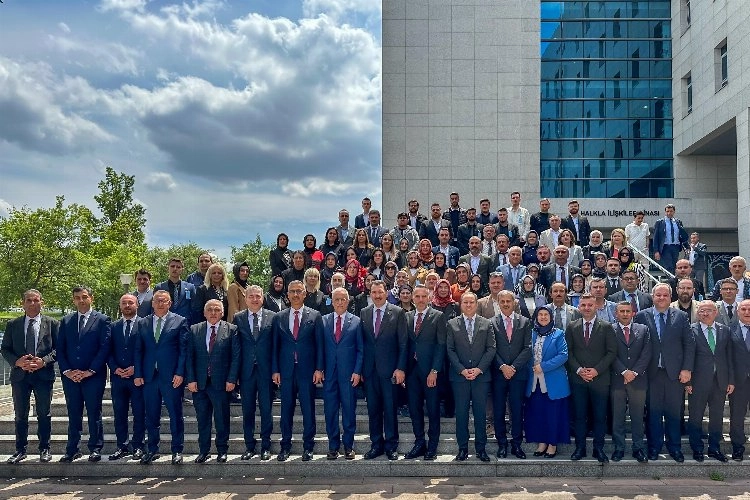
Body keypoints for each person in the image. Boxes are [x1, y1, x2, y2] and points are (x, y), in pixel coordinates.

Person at [634, 283, 695, 462]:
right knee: (653, 413)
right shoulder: (641, 316)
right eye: (658, 295)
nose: (661, 298)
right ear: (652, 297)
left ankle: (674, 448)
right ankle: (654, 447)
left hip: (674, 373)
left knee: (674, 413)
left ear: (670, 297)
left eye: (665, 295)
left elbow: (689, 344)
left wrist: (687, 368)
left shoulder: (681, 316)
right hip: (651, 373)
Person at [1, 289, 59, 464]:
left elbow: (59, 349)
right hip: (20, 376)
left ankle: (45, 449)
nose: (32, 303)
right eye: (29, 300)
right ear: (23, 303)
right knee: (20, 414)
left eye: (36, 300)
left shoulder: (52, 324)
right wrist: (17, 362)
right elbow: (5, 349)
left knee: (44, 413)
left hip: (43, 376)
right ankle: (20, 450)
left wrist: (44, 361)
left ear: (42, 302)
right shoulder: (13, 324)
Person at [133, 289, 189, 465]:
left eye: (164, 300)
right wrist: (138, 373)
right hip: (149, 377)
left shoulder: (180, 321)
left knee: (175, 414)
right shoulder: (143, 323)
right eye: (157, 300)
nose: (160, 303)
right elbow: (138, 350)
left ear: (169, 303)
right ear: (152, 303)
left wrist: (180, 373)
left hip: (171, 377)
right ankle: (152, 449)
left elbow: (183, 351)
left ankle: (177, 450)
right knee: (151, 415)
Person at [57, 286, 111, 463]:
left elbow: (104, 348)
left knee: (94, 412)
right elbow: (60, 348)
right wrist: (67, 371)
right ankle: (72, 449)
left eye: (84, 297)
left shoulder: (102, 320)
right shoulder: (66, 321)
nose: (81, 300)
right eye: (77, 297)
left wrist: (90, 371)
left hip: (93, 375)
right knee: (74, 413)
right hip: (71, 376)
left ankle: (95, 448)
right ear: (73, 300)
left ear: (91, 298)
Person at [271, 280, 324, 462]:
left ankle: (308, 446)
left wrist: (319, 368)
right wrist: (275, 370)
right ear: (287, 294)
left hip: (307, 371)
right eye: (292, 291)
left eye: (298, 291)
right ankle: (285, 446)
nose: (295, 294)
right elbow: (275, 346)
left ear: (304, 294)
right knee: (286, 410)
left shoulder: (315, 315)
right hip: (285, 372)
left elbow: (319, 345)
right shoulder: (279, 317)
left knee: (308, 409)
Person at [186, 299, 240, 464]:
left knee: (222, 418)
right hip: (200, 383)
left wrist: (232, 379)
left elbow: (235, 357)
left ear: (222, 313)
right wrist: (191, 379)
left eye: (217, 310)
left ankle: (222, 450)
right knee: (202, 419)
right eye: (210, 310)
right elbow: (190, 357)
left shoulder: (231, 330)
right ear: (204, 313)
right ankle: (204, 451)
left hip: (221, 383)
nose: (213, 313)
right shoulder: (195, 329)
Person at [565, 293, 617, 462]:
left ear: (596, 306)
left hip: (600, 380)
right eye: (584, 305)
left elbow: (611, 352)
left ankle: (598, 449)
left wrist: (596, 370)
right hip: (578, 380)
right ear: (579, 307)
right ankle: (580, 448)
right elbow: (568, 352)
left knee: (600, 416)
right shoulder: (572, 326)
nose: (587, 308)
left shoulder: (607, 326)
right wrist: (579, 370)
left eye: (590, 305)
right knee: (579, 416)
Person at [360, 280, 408, 460]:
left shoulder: (398, 312)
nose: (377, 295)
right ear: (370, 294)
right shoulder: (364, 313)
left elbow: (403, 343)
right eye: (374, 292)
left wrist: (400, 368)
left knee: (389, 409)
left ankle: (391, 446)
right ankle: (376, 445)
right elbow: (362, 343)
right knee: (373, 410)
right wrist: (361, 369)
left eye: (380, 292)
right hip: (370, 371)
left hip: (390, 371)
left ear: (386, 293)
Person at [446, 292, 496, 462]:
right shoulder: (452, 324)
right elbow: (450, 349)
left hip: (480, 377)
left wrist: (479, 369)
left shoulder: (486, 324)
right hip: (460, 377)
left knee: (480, 414)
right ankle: (462, 449)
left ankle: (481, 449)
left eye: (471, 302)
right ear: (461, 305)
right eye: (465, 302)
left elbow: (491, 348)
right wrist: (461, 369)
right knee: (461, 414)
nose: (468, 305)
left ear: (476, 304)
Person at [686, 301, 733, 462]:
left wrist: (730, 380)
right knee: (695, 417)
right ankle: (697, 449)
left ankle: (714, 448)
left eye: (709, 310)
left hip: (720, 381)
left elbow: (729, 357)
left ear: (716, 312)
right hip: (697, 382)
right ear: (697, 313)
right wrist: (687, 382)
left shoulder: (725, 330)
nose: (705, 314)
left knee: (717, 417)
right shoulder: (690, 330)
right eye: (701, 311)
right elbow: (687, 356)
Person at [403, 285, 446, 461]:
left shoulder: (438, 316)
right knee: (414, 409)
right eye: (417, 296)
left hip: (430, 372)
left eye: (423, 296)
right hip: (412, 371)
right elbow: (404, 345)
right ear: (413, 298)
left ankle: (432, 446)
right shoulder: (407, 317)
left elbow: (441, 345)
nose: (420, 300)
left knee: (433, 409)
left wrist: (435, 370)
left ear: (429, 298)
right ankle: (419, 442)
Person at [234, 285, 276, 461]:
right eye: (251, 296)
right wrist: (235, 374)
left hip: (266, 371)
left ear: (262, 298)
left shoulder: (272, 317)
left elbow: (275, 346)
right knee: (248, 410)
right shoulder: (238, 318)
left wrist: (275, 370)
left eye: (258, 296)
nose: (255, 299)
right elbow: (236, 348)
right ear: (246, 299)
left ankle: (266, 446)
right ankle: (249, 446)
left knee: (266, 410)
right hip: (246, 372)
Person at [321, 288, 363, 460]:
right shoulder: (323, 321)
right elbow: (320, 348)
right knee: (330, 411)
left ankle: (348, 446)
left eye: (343, 299)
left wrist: (357, 371)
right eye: (336, 299)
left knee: (349, 410)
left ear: (348, 301)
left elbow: (360, 349)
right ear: (332, 301)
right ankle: (333, 446)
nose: (339, 302)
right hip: (329, 374)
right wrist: (319, 368)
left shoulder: (357, 321)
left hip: (349, 375)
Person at [524, 305, 570, 458]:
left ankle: (552, 444)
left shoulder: (558, 334)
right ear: (536, 317)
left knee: (553, 414)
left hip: (553, 382)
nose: (543, 317)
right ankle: (542, 442)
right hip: (534, 382)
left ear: (551, 317)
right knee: (538, 413)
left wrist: (543, 366)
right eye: (540, 315)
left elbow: (563, 355)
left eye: (546, 315)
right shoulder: (530, 333)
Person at [491, 290, 532, 459]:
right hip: (498, 374)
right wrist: (502, 366)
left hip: (518, 373)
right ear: (498, 303)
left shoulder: (525, 322)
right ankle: (502, 443)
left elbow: (528, 348)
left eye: (509, 301)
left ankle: (516, 444)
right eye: (503, 301)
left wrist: (513, 367)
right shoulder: (491, 322)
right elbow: (490, 348)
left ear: (514, 302)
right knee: (499, 410)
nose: (506, 304)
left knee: (517, 410)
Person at [609, 301, 651, 463]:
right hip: (617, 379)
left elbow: (647, 353)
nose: (625, 314)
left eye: (628, 311)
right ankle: (619, 448)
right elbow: (610, 353)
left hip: (638, 380)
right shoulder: (609, 329)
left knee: (637, 416)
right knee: (618, 416)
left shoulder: (643, 329)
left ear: (633, 313)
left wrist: (634, 372)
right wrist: (623, 372)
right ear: (616, 314)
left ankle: (638, 448)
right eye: (622, 311)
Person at [106, 294, 145, 461]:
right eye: (124, 303)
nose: (127, 305)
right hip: (118, 378)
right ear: (120, 306)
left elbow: (148, 350)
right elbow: (107, 350)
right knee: (119, 413)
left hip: (138, 377)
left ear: (137, 305)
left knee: (139, 413)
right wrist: (115, 369)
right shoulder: (113, 326)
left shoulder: (145, 324)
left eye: (131, 303)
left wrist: (136, 368)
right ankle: (122, 446)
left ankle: (138, 446)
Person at [729, 299, 750, 461]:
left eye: (749, 309)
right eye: (743, 309)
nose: (747, 312)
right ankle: (737, 447)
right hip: (739, 381)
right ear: (737, 311)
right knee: (737, 416)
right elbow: (727, 358)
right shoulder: (729, 330)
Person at [154, 258, 196, 325]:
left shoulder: (190, 287)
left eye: (178, 267)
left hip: (185, 324)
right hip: (165, 323)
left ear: (182, 270)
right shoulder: (159, 287)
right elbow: (154, 307)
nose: (175, 269)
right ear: (168, 268)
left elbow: (194, 308)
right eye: (172, 266)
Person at [652, 203, 689, 275]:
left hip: (675, 247)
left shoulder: (678, 222)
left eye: (671, 211)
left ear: (674, 212)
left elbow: (681, 236)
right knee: (668, 266)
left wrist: (687, 246)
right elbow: (656, 237)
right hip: (665, 247)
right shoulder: (660, 222)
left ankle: (673, 279)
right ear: (665, 212)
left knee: (674, 266)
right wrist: (656, 251)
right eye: (667, 211)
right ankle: (671, 280)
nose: (669, 213)